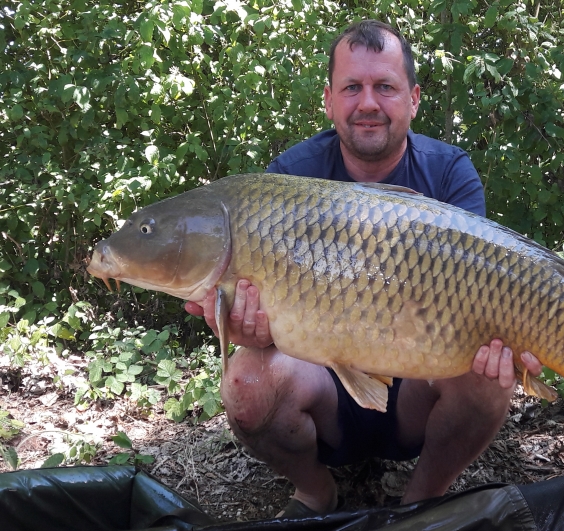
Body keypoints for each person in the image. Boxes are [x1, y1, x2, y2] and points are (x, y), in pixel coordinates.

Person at [185, 19, 544, 517]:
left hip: (418, 396)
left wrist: (516, 337)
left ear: (413, 98)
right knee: (245, 382)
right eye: (352, 87)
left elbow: (481, 296)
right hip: (325, 391)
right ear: (330, 100)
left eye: (385, 87)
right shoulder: (288, 180)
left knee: (491, 375)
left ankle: (424, 500)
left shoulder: (448, 173)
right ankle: (316, 490)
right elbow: (266, 332)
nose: (368, 103)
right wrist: (250, 328)